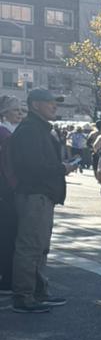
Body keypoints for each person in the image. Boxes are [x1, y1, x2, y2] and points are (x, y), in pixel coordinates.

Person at [6, 88, 68, 314]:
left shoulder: (38, 129)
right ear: (35, 105)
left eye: (55, 102)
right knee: (30, 247)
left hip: (41, 195)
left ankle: (38, 292)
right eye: (49, 102)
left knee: (40, 247)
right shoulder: (30, 130)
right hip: (34, 194)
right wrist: (62, 168)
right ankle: (24, 297)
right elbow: (33, 166)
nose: (54, 105)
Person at [0, 97, 24, 297]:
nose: (20, 113)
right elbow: (9, 167)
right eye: (15, 110)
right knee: (9, 236)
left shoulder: (8, 132)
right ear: (4, 113)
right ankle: (7, 279)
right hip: (7, 191)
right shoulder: (6, 134)